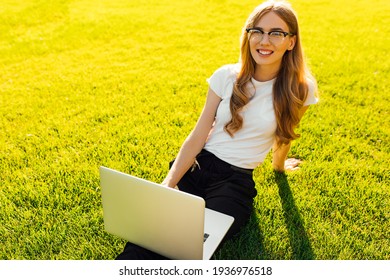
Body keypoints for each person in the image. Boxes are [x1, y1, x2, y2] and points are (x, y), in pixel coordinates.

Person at [116, 0, 318, 260]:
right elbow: (198, 135)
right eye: (257, 31)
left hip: (235, 182)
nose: (264, 41)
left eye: (276, 33)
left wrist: (279, 167)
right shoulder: (226, 76)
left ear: (291, 41)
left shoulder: (301, 89)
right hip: (198, 166)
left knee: (192, 247)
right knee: (149, 239)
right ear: (248, 35)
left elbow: (284, 134)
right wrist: (169, 183)